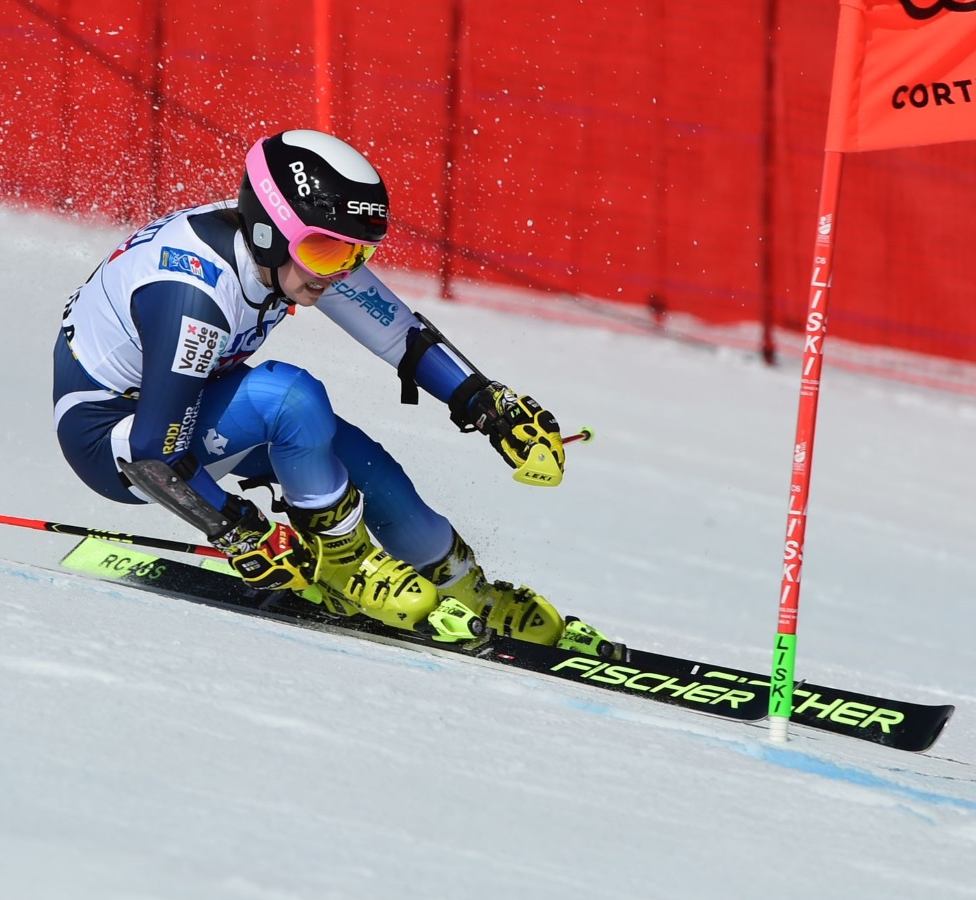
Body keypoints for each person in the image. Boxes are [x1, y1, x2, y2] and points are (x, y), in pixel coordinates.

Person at [52, 128, 613, 656]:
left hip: (188, 412)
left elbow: (399, 335)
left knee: (372, 470)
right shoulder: (193, 295)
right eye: (329, 253)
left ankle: (474, 595)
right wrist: (238, 531)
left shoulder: (292, 255)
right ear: (270, 229)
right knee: (291, 399)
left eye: (359, 255)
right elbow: (153, 452)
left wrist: (489, 406)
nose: (341, 272)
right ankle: (347, 569)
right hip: (115, 443)